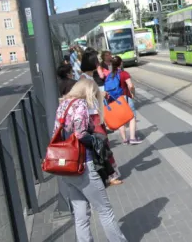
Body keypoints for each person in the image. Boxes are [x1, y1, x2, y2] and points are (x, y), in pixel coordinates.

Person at [55, 79, 128, 242]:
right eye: (94, 94)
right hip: (83, 166)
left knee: (81, 215)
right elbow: (81, 134)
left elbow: (56, 132)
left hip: (66, 166)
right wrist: (96, 141)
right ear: (88, 92)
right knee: (105, 211)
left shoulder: (62, 105)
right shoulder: (80, 104)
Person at [80, 48, 124, 185]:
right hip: (93, 117)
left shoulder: (87, 77)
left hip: (95, 115)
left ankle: (109, 175)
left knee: (103, 145)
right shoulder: (85, 79)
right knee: (103, 145)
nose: (98, 64)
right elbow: (85, 98)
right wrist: (100, 94)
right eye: (96, 62)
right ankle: (110, 176)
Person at [107, 56, 139, 145]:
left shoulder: (109, 75)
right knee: (131, 117)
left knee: (121, 119)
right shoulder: (124, 73)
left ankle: (125, 139)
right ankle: (132, 138)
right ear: (120, 63)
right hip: (125, 97)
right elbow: (130, 85)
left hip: (114, 100)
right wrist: (133, 93)